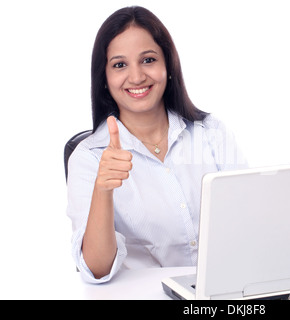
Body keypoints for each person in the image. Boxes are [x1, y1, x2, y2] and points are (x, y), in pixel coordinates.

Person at [66, 6, 247, 283]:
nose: (137, 77)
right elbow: (97, 269)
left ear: (168, 66)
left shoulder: (211, 133)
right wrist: (103, 189)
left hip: (223, 290)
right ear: (104, 79)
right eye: (119, 64)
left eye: (148, 60)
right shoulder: (89, 157)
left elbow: (250, 220)